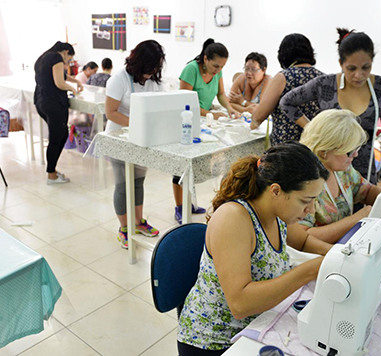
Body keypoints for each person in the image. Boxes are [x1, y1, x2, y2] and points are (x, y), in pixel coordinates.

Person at [177, 141, 332, 355]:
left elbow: (304, 241)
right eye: (306, 200)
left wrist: (339, 255)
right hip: (214, 342)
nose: (310, 210)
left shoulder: (278, 214)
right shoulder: (234, 219)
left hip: (258, 323)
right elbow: (240, 304)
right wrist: (311, 270)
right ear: (276, 190)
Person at [280, 28, 381, 184]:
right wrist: (313, 128)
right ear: (341, 64)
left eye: (366, 67)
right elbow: (286, 102)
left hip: (364, 170)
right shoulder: (325, 84)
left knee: (364, 205)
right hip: (328, 173)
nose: (359, 75)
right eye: (351, 68)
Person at [105, 40, 164, 248]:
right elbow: (110, 112)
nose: (152, 72)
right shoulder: (119, 79)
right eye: (149, 68)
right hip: (119, 138)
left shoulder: (154, 80)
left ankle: (138, 222)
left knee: (138, 182)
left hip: (142, 139)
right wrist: (137, 124)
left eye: (155, 68)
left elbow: (159, 105)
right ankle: (124, 228)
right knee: (123, 185)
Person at [174, 39, 240, 224]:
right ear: (205, 59)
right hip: (187, 121)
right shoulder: (191, 69)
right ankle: (179, 207)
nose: (218, 70)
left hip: (206, 122)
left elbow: (221, 94)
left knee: (197, 164)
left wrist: (229, 109)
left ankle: (191, 202)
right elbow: (184, 101)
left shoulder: (218, 72)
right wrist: (210, 113)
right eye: (215, 65)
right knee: (181, 166)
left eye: (222, 66)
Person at [299, 109, 381, 243]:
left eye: (356, 149)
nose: (355, 155)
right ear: (324, 151)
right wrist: (357, 218)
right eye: (349, 151)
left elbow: (366, 191)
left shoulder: (341, 170)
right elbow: (303, 237)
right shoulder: (302, 181)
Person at [250, 34, 323, 146]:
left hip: (287, 149)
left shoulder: (283, 77)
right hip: (315, 146)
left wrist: (251, 125)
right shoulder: (323, 78)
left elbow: (258, 116)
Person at [34, 41, 83, 184]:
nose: (68, 61)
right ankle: (51, 175)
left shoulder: (44, 57)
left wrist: (76, 81)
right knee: (56, 138)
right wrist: (72, 89)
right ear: (66, 52)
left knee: (62, 135)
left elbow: (60, 76)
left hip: (41, 101)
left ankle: (52, 171)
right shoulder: (56, 58)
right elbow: (59, 82)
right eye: (69, 58)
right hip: (53, 103)